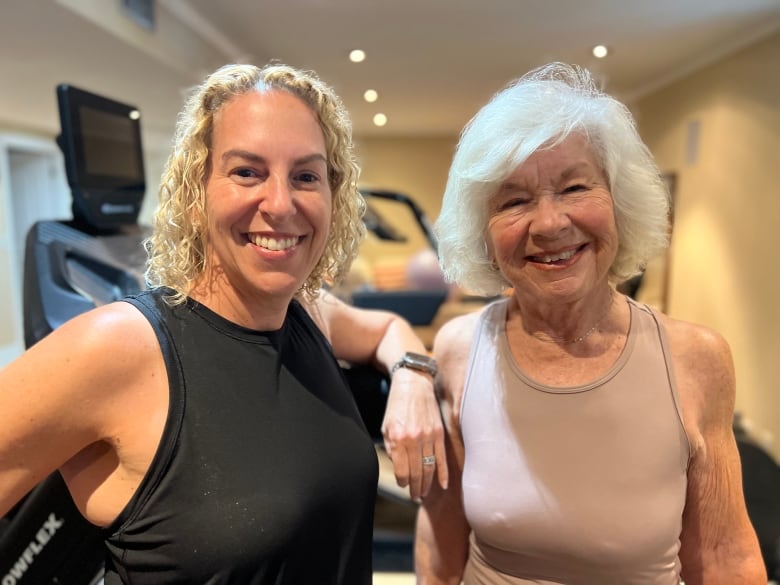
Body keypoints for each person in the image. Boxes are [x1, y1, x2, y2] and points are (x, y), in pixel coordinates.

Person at [0, 62, 447, 584]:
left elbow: (386, 328)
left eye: (306, 176)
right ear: (197, 192)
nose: (281, 204)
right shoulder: (119, 345)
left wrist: (414, 373)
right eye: (246, 172)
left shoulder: (307, 313)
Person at [415, 62, 766, 584]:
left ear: (621, 206)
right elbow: (441, 544)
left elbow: (723, 558)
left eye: (576, 188)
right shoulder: (459, 350)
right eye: (515, 201)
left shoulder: (698, 359)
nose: (551, 223)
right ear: (483, 234)